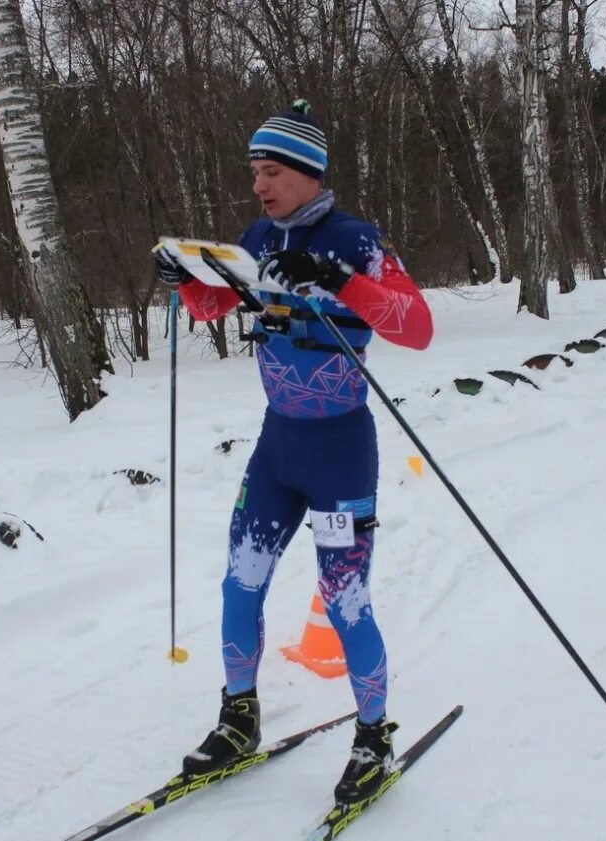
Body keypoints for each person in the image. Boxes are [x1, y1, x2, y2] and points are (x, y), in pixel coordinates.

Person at [154, 99, 433, 805]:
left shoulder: (356, 239)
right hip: (277, 446)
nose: (259, 184)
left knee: (346, 603)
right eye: (254, 171)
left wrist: (340, 279)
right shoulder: (257, 233)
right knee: (239, 582)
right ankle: (238, 716)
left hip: (340, 449)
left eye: (271, 171)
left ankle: (374, 737)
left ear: (308, 174)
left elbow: (417, 327)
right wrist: (186, 277)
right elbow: (216, 308)